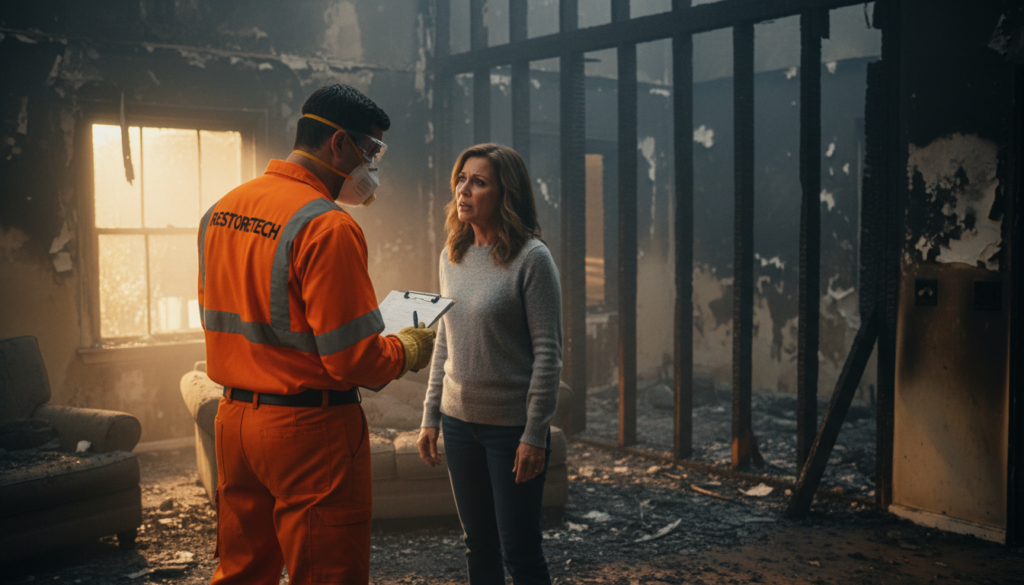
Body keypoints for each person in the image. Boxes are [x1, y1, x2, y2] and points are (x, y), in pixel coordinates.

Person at [198, 84, 435, 585]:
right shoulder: (328, 226)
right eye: (371, 152)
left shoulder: (220, 210)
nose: (372, 167)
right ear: (339, 145)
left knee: (242, 572)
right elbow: (354, 361)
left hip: (235, 422)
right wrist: (408, 347)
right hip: (309, 435)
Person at [417, 144, 562, 585]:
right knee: (477, 544)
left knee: (519, 552)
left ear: (506, 194)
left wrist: (534, 435)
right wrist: (431, 416)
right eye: (461, 179)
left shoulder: (532, 259)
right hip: (458, 424)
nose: (464, 190)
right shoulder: (451, 256)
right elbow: (445, 338)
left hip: (510, 432)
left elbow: (549, 354)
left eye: (478, 182)